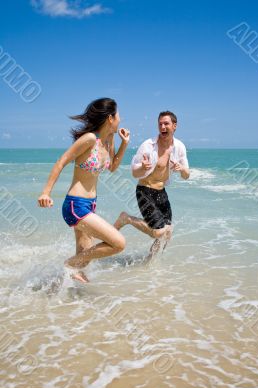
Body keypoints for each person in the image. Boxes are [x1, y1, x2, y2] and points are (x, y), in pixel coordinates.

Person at [38, 98, 130, 283]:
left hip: (90, 205)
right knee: (119, 243)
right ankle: (66, 265)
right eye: (118, 114)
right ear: (110, 118)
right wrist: (45, 192)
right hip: (75, 205)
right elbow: (61, 161)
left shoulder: (108, 141)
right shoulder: (89, 139)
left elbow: (112, 167)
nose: (121, 118)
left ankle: (55, 290)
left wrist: (124, 144)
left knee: (83, 262)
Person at [114, 110, 189, 258]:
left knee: (167, 233)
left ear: (174, 126)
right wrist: (142, 167)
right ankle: (126, 219)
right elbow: (134, 173)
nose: (162, 127)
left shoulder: (179, 147)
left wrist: (181, 169)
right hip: (145, 190)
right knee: (158, 231)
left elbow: (187, 175)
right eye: (160, 124)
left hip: (161, 192)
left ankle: (150, 264)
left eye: (166, 123)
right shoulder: (148, 145)